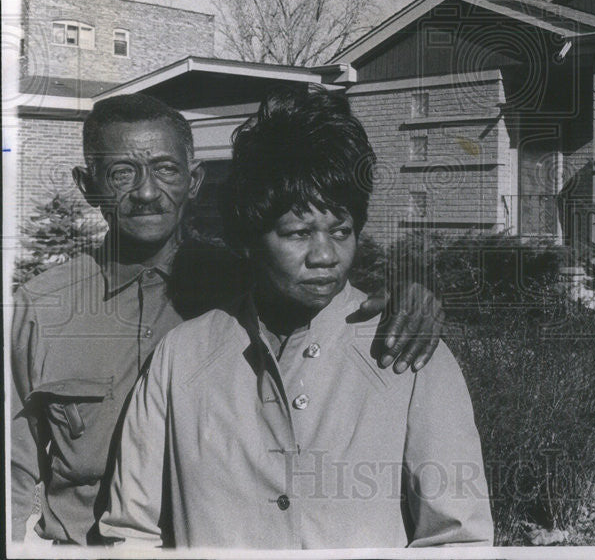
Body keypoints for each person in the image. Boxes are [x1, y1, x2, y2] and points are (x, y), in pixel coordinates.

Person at [9, 93, 443, 546]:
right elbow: (14, 478)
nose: (146, 192)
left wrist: (413, 299)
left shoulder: (250, 283)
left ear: (194, 180)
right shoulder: (39, 310)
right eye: (121, 173)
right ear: (87, 184)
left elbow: (332, 288)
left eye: (166, 169)